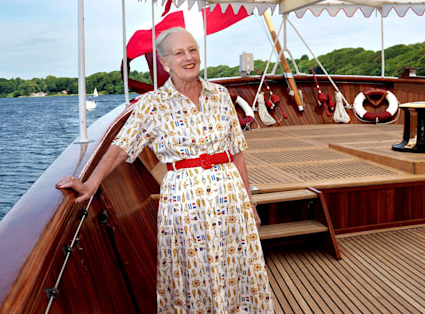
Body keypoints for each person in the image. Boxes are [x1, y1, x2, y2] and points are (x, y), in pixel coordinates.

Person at [56, 27, 273, 313]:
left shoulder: (220, 95)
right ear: (165, 62)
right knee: (193, 275)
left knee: (238, 269)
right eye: (179, 53)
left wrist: (250, 204)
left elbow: (237, 154)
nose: (189, 58)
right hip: (185, 204)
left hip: (231, 199)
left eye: (193, 50)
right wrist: (91, 183)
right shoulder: (152, 104)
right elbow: (122, 146)